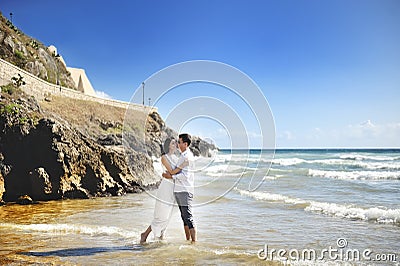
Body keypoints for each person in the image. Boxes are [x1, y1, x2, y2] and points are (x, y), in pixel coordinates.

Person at [140, 137, 188, 244]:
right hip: (166, 188)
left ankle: (161, 235)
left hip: (175, 188)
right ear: (168, 145)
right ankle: (145, 234)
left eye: (175, 143)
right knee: (161, 215)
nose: (175, 145)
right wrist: (181, 167)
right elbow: (171, 171)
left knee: (168, 215)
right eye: (172, 143)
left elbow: (178, 173)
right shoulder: (164, 157)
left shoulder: (176, 157)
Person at [162, 133, 196, 243]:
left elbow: (185, 176)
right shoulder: (182, 156)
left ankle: (194, 242)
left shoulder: (187, 157)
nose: (178, 144)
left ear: (185, 144)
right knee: (184, 217)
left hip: (185, 190)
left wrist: (171, 176)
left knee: (188, 216)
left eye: (179, 142)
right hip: (179, 190)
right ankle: (188, 240)